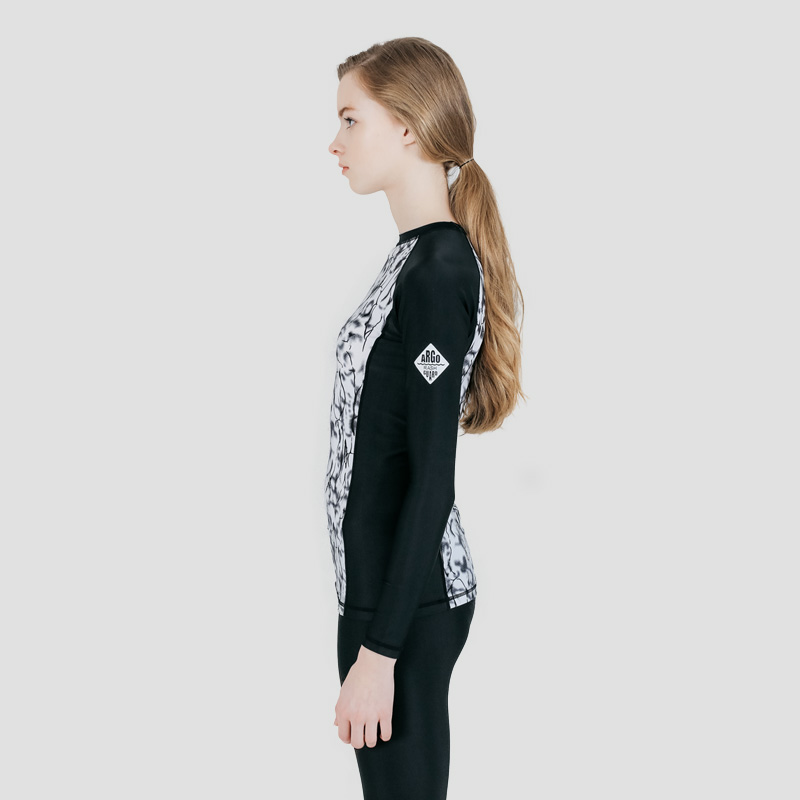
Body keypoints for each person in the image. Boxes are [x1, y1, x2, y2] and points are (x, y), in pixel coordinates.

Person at [325, 36, 526, 800]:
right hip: (381, 594)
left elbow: (432, 474)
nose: (335, 142)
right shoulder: (413, 258)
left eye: (351, 119)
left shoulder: (438, 270)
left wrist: (381, 651)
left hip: (408, 607)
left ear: (407, 127)